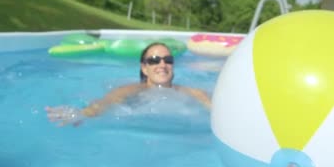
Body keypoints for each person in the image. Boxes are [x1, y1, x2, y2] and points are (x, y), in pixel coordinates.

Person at [45, 42, 212, 127]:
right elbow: (106, 103)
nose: (162, 65)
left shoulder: (192, 92)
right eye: (154, 61)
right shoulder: (131, 90)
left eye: (167, 60)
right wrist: (82, 114)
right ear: (144, 68)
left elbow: (214, 108)